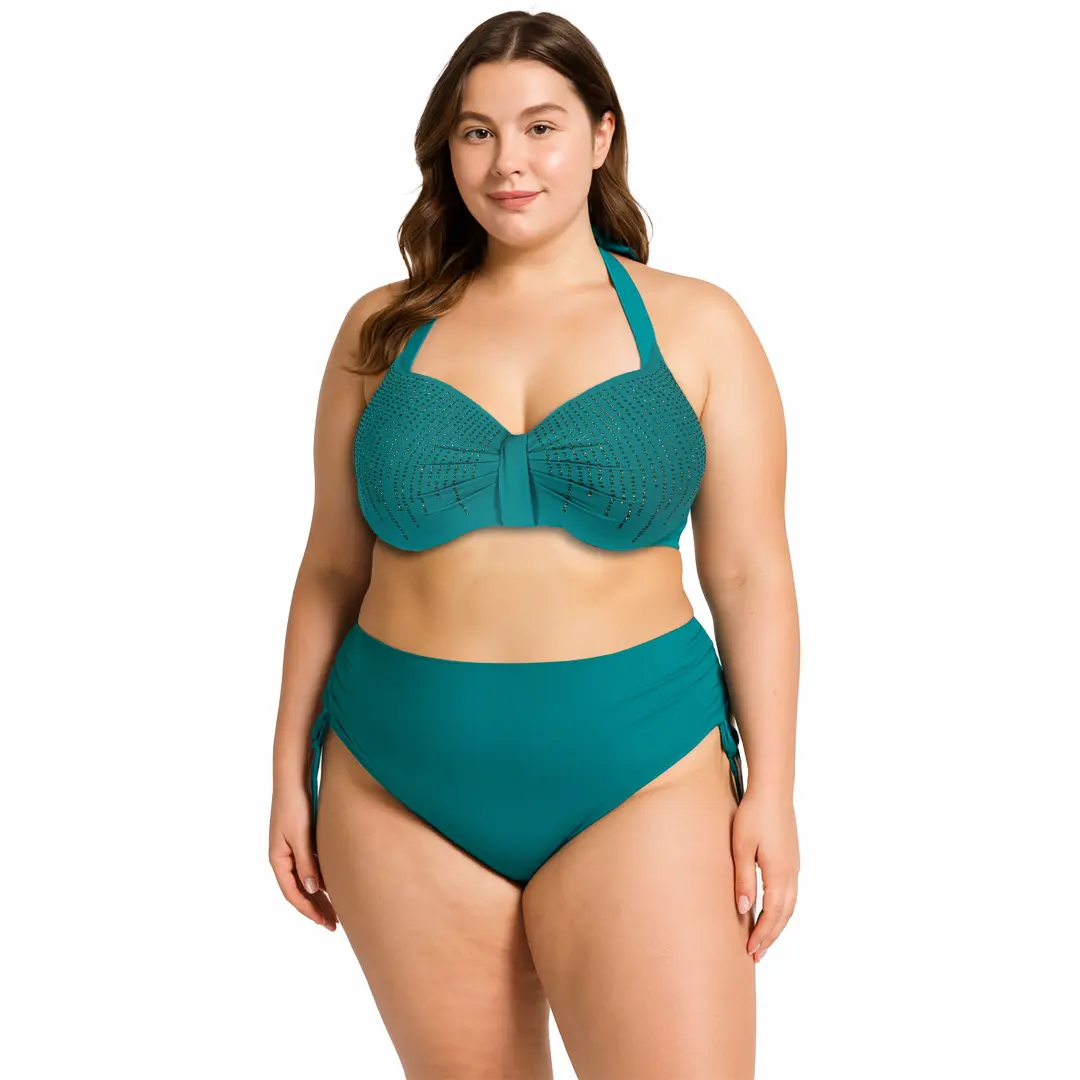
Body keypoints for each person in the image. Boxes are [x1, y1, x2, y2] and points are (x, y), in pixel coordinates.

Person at [269, 10, 800, 1079]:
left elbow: (749, 573)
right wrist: (288, 770)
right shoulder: (381, 331)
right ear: (447, 150)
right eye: (478, 132)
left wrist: (774, 792)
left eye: (541, 127)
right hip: (395, 780)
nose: (508, 161)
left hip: (643, 771)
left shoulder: (699, 325)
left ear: (602, 137)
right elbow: (330, 565)